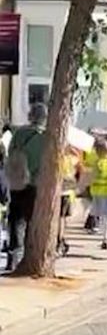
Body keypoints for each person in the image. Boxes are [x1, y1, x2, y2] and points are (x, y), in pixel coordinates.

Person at [5, 103, 46, 271]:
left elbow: (10, 153)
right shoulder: (45, 136)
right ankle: (28, 254)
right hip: (35, 184)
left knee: (15, 220)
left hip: (17, 182)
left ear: (30, 115)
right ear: (44, 117)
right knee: (31, 220)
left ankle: (13, 255)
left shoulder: (19, 133)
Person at [57, 146, 80, 257]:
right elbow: (78, 158)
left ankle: (60, 239)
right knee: (62, 219)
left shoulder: (58, 159)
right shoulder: (71, 159)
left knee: (59, 218)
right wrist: (72, 149)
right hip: (67, 192)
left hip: (58, 192)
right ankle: (61, 239)